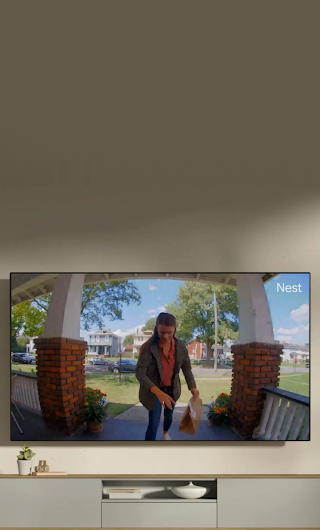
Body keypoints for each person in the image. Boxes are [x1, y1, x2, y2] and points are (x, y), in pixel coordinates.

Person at [135, 312, 199, 441]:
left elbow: (186, 368)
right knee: (154, 421)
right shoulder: (148, 347)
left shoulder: (180, 347)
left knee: (169, 417)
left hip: (171, 389)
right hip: (154, 391)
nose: (166, 336)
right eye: (162, 332)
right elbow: (139, 372)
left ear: (174, 329)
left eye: (169, 332)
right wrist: (158, 393)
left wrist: (193, 387)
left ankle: (165, 433)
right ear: (156, 329)